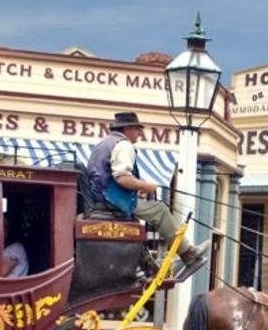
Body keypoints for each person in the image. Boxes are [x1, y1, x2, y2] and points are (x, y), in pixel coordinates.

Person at [89, 112, 209, 280]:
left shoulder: (104, 144)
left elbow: (109, 178)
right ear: (128, 128)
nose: (139, 133)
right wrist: (147, 186)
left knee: (138, 220)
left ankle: (148, 265)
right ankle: (187, 253)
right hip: (112, 203)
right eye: (137, 129)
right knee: (159, 210)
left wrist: (134, 189)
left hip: (103, 200)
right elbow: (121, 177)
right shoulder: (124, 145)